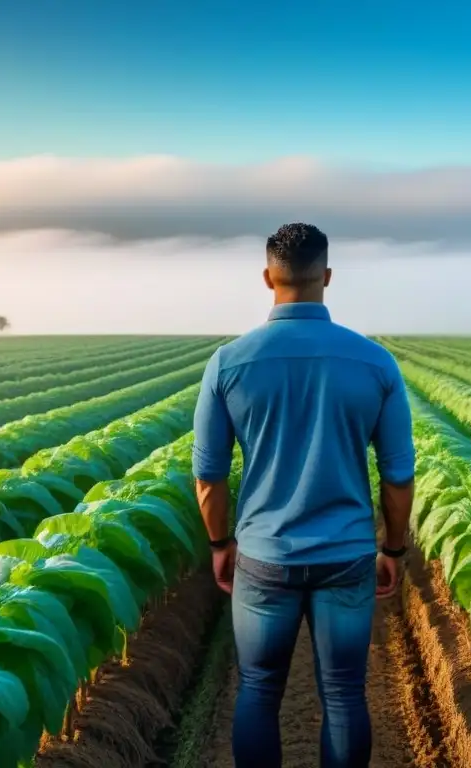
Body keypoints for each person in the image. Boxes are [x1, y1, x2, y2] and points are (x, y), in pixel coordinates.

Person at [191, 222, 416, 768]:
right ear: (328, 277)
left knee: (259, 689)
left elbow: (208, 477)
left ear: (268, 277)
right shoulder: (375, 362)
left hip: (264, 556)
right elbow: (397, 476)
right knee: (343, 694)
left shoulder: (229, 363)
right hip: (345, 555)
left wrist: (221, 543)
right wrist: (393, 549)